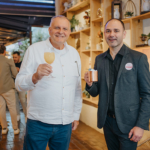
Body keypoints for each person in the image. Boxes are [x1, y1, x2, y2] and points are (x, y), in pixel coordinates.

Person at [15, 15, 82, 150]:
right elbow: (19, 84)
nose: (60, 31)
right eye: (57, 27)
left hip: (65, 124)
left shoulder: (74, 54)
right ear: (50, 30)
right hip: (38, 123)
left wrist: (75, 116)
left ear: (69, 32)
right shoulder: (34, 50)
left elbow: (76, 88)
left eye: (65, 28)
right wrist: (35, 76)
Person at [84, 18, 150, 150]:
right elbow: (96, 91)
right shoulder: (99, 59)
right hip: (107, 121)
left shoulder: (138, 58)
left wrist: (140, 125)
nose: (111, 34)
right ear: (104, 34)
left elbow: (147, 94)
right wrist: (90, 84)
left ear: (124, 34)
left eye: (116, 31)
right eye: (108, 31)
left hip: (129, 123)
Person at [0, 45, 20, 135]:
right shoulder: (9, 61)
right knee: (12, 108)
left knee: (1, 109)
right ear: (4, 51)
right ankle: (15, 129)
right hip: (8, 88)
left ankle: (4, 128)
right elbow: (15, 75)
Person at [13, 51, 27, 121]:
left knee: (23, 100)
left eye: (15, 57)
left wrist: (19, 70)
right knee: (15, 102)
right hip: (13, 85)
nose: (14, 58)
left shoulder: (22, 64)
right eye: (13, 57)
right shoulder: (12, 64)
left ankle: (26, 115)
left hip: (21, 85)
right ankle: (17, 115)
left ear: (19, 57)